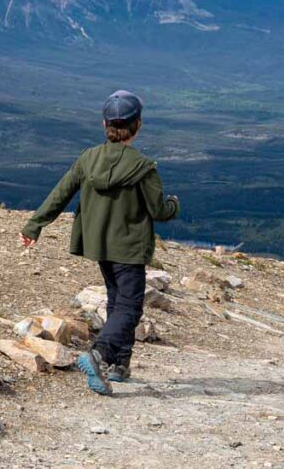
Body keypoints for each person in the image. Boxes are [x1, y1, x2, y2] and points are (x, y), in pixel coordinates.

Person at [19, 90, 180, 395]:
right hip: (129, 248)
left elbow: (61, 193)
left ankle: (120, 364)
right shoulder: (144, 167)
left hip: (99, 245)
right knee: (130, 308)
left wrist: (34, 224)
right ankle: (99, 354)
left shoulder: (87, 159)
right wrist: (174, 204)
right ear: (138, 125)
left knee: (117, 301)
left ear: (105, 124)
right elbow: (159, 211)